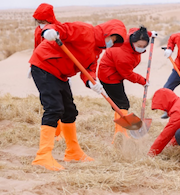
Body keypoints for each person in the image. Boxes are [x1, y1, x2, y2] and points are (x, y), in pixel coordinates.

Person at [29, 18, 127, 171]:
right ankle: (43, 156)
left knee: (69, 111)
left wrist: (92, 82)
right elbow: (61, 28)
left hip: (60, 74)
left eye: (114, 42)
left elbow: (88, 69)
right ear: (106, 32)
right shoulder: (85, 30)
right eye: (111, 38)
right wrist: (50, 31)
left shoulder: (96, 51)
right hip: (45, 65)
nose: (111, 43)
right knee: (54, 109)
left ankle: (73, 152)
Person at [98, 26, 156, 138]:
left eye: (144, 46)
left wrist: (149, 33)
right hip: (109, 77)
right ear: (133, 42)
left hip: (116, 74)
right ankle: (120, 134)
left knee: (120, 104)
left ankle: (122, 129)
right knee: (122, 104)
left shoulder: (132, 36)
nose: (141, 48)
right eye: (139, 46)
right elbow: (127, 74)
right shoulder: (123, 54)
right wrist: (143, 81)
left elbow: (135, 29)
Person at [30, 3, 63, 137]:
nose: (41, 24)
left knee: (61, 104)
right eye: (39, 21)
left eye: (43, 21)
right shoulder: (39, 30)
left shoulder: (58, 29)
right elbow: (37, 47)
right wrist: (33, 63)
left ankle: (60, 133)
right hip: (42, 69)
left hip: (57, 69)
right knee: (50, 102)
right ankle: (55, 133)